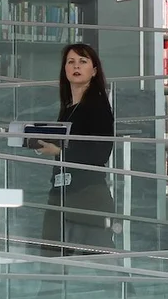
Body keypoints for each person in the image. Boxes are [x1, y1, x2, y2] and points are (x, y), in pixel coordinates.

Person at [33, 43, 116, 255]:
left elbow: (100, 153)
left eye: (82, 61)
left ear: (94, 70)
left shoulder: (98, 106)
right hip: (61, 191)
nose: (76, 66)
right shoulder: (68, 109)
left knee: (99, 259)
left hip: (87, 193)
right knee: (51, 258)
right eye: (71, 62)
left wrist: (59, 152)